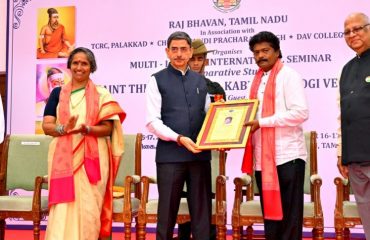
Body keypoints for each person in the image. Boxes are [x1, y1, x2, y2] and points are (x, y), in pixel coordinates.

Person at [42, 47, 126, 240]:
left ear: (91, 67)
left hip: (93, 157)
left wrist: (86, 129)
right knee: (62, 207)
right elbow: (48, 126)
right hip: (63, 156)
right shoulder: (57, 93)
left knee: (89, 206)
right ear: (70, 66)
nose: (79, 67)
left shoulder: (101, 94)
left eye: (84, 63)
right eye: (75, 63)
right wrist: (64, 129)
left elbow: (108, 128)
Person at [241, 31, 309, 240]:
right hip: (263, 160)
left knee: (289, 218)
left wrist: (262, 122)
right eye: (256, 52)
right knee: (271, 219)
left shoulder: (289, 76)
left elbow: (300, 113)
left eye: (265, 51)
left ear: (277, 51)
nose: (260, 56)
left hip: (288, 157)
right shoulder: (256, 81)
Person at [146, 31, 212, 240]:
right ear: (167, 51)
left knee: (202, 216)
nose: (179, 54)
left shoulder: (201, 82)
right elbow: (152, 121)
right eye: (174, 49)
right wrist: (178, 138)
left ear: (191, 51)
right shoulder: (156, 80)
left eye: (184, 49)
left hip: (199, 156)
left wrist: (220, 136)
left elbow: (210, 117)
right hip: (170, 157)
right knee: (166, 215)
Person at [178, 38, 226, 240]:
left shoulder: (215, 88)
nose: (196, 63)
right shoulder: (176, 86)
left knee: (207, 198)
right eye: (193, 59)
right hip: (182, 149)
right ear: (187, 60)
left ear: (206, 61)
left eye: (200, 59)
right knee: (183, 198)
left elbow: (225, 121)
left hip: (208, 152)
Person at [337, 12, 370, 239]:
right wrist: (342, 153)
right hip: (356, 159)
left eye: (357, 29)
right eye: (347, 32)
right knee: (368, 218)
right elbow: (343, 116)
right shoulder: (346, 69)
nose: (352, 35)